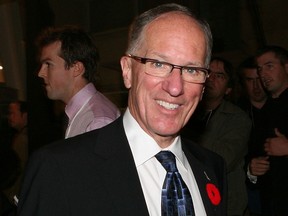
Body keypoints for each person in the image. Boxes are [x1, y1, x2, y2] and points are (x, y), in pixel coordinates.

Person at [17, 3, 227, 216]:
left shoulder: (211, 167)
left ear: (203, 85)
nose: (175, 87)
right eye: (158, 64)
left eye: (192, 70)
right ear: (127, 71)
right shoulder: (58, 169)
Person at [183, 57, 252, 216]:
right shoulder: (185, 111)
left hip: (225, 204)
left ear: (228, 89)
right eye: (208, 73)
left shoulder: (237, 118)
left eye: (219, 76)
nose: (211, 79)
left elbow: (223, 160)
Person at [36, 26, 120, 138]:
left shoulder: (97, 122)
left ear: (77, 68)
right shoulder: (84, 114)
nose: (40, 73)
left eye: (48, 64)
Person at [248, 45, 288, 215]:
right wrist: (251, 169)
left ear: (287, 67)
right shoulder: (262, 113)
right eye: (260, 69)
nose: (263, 74)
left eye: (269, 66)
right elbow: (253, 153)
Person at [237, 57, 268, 216]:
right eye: (250, 80)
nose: (256, 86)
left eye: (259, 80)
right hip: (253, 190)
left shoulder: (279, 107)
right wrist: (249, 169)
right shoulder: (236, 114)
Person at [3, 101, 28, 204]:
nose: (10, 117)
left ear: (25, 115)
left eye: (13, 113)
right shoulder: (19, 136)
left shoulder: (21, 139)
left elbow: (16, 172)